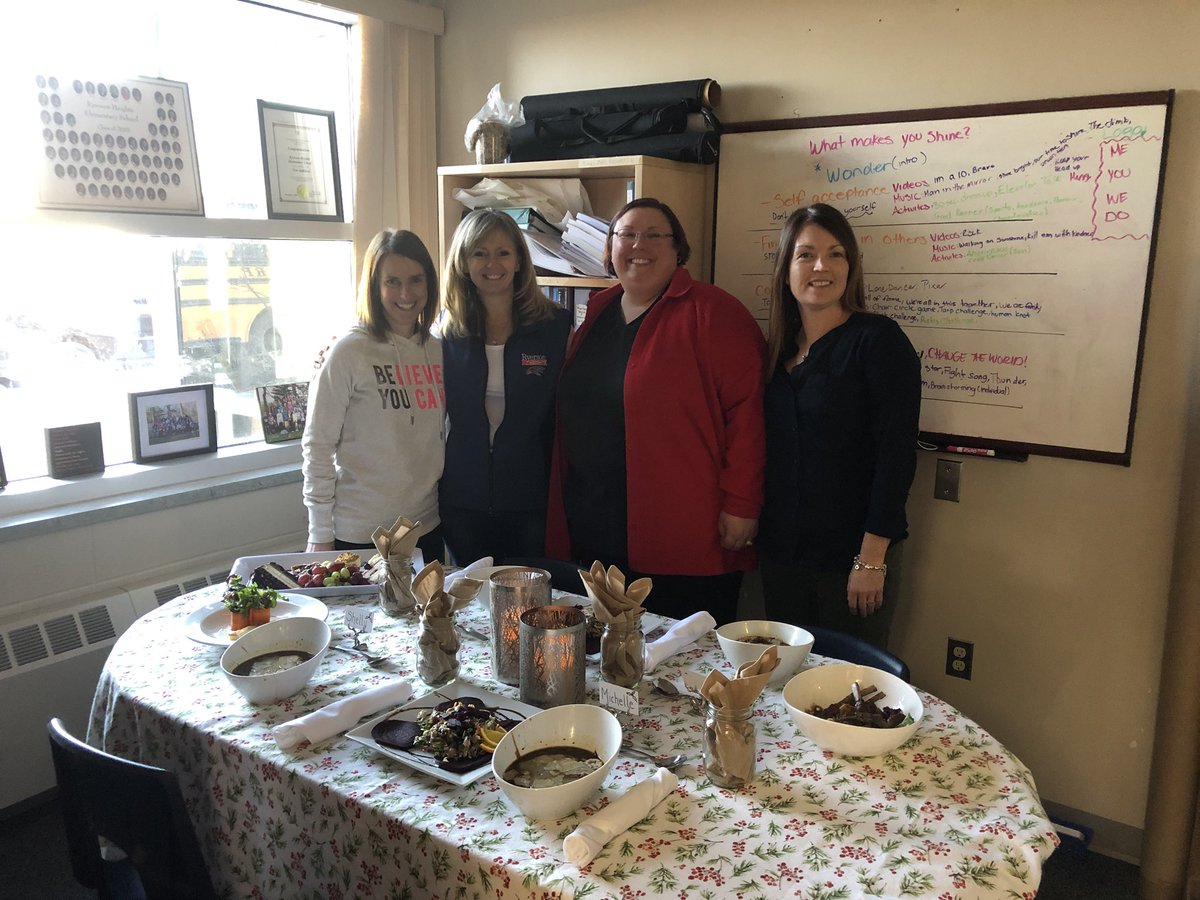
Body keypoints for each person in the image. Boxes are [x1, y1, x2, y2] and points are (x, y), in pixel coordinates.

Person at [546, 197, 766, 625]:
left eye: (653, 235)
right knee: (609, 667)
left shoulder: (714, 312)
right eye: (625, 235)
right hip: (595, 528)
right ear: (609, 249)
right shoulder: (598, 310)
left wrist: (742, 504)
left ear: (678, 249)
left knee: (683, 670)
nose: (637, 244)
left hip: (684, 537)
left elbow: (748, 416)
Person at [757, 203, 921, 649]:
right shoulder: (775, 354)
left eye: (836, 254)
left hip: (853, 560)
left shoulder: (878, 341)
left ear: (852, 266)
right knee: (784, 689)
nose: (820, 267)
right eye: (805, 254)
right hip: (783, 557)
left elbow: (897, 454)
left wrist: (871, 560)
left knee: (851, 700)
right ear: (786, 268)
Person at [302, 229, 446, 563]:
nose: (406, 293)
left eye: (416, 280)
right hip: (359, 532)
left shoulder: (438, 351)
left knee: (426, 617)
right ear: (374, 285)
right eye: (392, 281)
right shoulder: (348, 353)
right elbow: (318, 445)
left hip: (425, 527)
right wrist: (319, 533)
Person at [439, 209, 571, 563]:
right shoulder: (445, 333)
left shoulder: (556, 327)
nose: (491, 263)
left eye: (503, 252)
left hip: (531, 499)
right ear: (464, 263)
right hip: (462, 499)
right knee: (473, 605)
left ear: (518, 261)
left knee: (527, 604)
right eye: (479, 252)